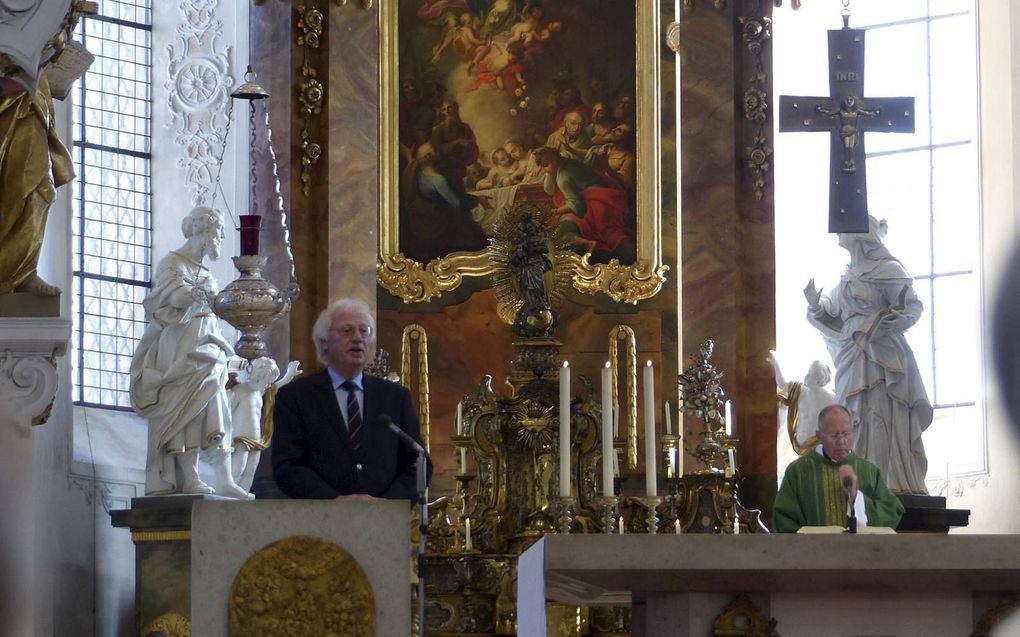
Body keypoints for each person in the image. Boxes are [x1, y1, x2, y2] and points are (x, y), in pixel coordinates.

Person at [804, 215, 932, 494]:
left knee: (882, 414)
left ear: (861, 235)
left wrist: (895, 321)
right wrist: (815, 305)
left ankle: (889, 481)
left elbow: (912, 307)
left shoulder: (888, 269)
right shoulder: (848, 277)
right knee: (852, 413)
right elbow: (830, 311)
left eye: (843, 228)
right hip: (851, 355)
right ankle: (854, 482)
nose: (838, 232)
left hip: (883, 356)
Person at [129, 206, 249, 499]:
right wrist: (196, 294)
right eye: (218, 232)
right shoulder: (172, 263)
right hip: (182, 344)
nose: (220, 238)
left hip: (210, 343)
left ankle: (225, 478)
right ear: (203, 231)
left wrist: (229, 350)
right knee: (186, 411)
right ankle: (190, 475)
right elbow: (173, 297)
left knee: (217, 408)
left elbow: (211, 310)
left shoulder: (205, 271)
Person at [272, 298, 432, 501]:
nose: (357, 338)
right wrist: (334, 501)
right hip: (321, 520)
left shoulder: (395, 397)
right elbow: (287, 465)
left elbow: (419, 462)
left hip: (383, 520)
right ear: (324, 341)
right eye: (347, 331)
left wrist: (387, 504)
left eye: (364, 331)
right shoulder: (296, 397)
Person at [773, 404, 904, 533]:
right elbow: (783, 520)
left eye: (845, 434)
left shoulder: (869, 470)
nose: (841, 441)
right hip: (813, 552)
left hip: (861, 552)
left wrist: (856, 496)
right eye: (834, 436)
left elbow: (892, 512)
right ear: (819, 436)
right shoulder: (798, 472)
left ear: (853, 431)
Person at [0, 75, 73, 296]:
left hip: (31, 101)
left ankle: (22, 272)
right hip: (5, 97)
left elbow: (52, 41)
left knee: (38, 188)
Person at [229, 357, 301, 492]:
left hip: (257, 440)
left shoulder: (259, 392)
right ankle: (230, 494)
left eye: (268, 381)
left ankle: (243, 496)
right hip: (240, 438)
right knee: (237, 469)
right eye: (265, 380)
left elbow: (276, 387)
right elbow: (226, 412)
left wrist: (289, 374)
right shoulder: (240, 390)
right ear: (256, 375)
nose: (267, 384)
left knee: (250, 471)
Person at [767, 349, 835, 453]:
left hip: (818, 446)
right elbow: (782, 384)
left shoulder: (832, 399)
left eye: (810, 373)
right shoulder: (801, 391)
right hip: (799, 444)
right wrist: (776, 364)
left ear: (820, 377)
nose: (805, 376)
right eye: (807, 372)